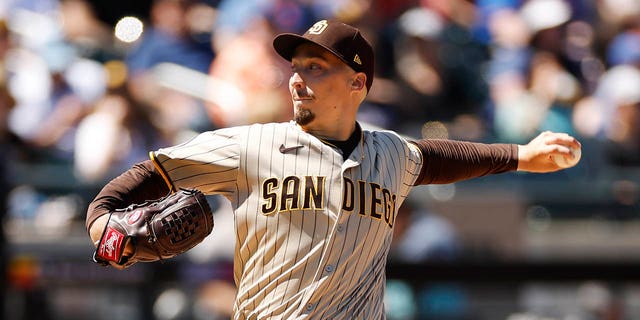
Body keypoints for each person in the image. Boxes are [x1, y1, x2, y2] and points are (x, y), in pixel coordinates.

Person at [86, 19, 581, 319]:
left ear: (358, 83)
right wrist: (104, 228)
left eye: (316, 68)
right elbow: (126, 190)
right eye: (296, 67)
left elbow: (445, 158)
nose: (297, 79)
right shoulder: (248, 144)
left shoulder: (393, 155)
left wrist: (521, 155)